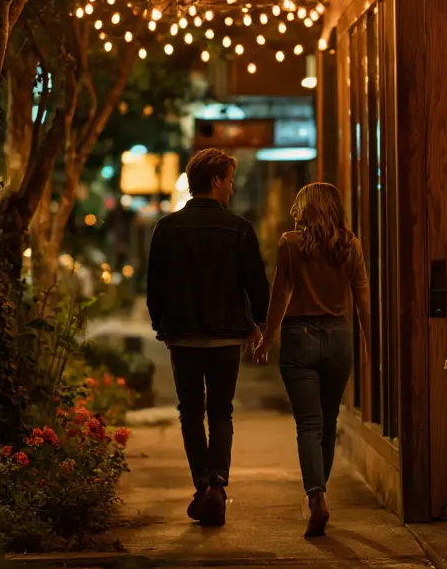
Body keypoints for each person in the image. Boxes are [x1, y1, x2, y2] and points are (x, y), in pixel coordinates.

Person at [146, 148, 270, 527]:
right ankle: (218, 482)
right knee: (221, 412)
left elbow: (155, 287)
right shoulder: (239, 229)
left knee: (190, 412)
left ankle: (202, 485)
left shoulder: (167, 228)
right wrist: (258, 324)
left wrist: (161, 326)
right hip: (225, 339)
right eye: (229, 180)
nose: (231, 188)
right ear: (215, 181)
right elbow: (257, 286)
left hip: (183, 337)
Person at [253, 183, 370, 537]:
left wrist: (267, 338)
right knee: (329, 420)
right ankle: (321, 491)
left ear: (306, 209)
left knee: (308, 424)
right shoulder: (351, 245)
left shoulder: (291, 244)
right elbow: (363, 299)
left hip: (298, 338)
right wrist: (370, 343)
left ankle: (315, 495)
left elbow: (280, 295)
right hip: (338, 338)